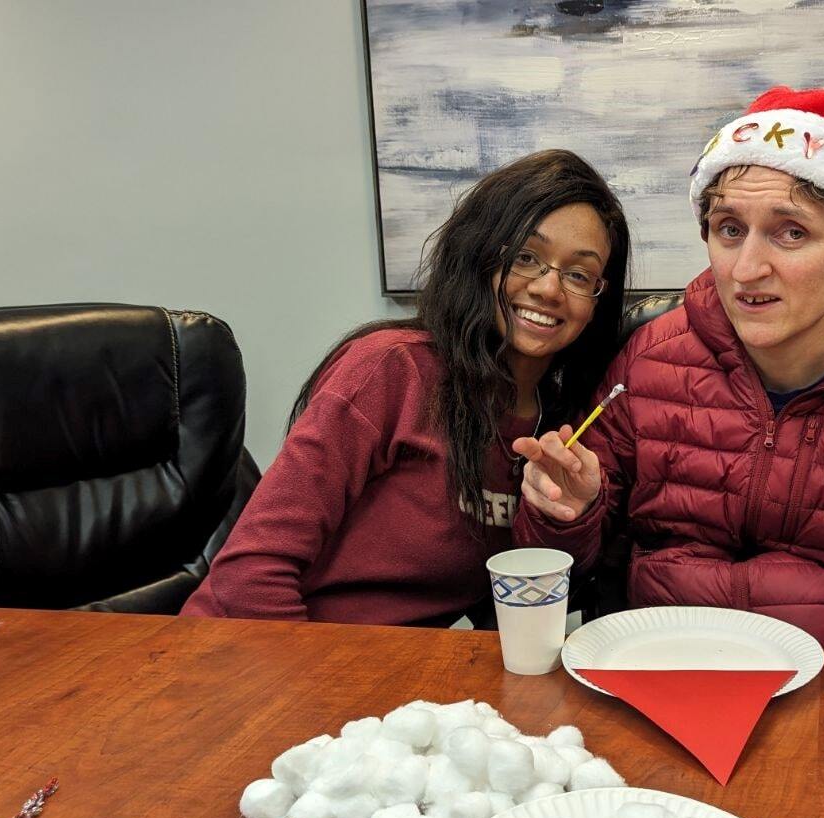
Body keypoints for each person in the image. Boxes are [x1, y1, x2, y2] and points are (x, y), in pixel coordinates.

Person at [513, 83, 824, 690]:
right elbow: (580, 561)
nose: (747, 270)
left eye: (791, 233)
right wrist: (568, 511)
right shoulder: (652, 358)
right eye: (728, 229)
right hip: (655, 673)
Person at [182, 149, 630, 625]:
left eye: (579, 274)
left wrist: (567, 515)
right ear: (481, 255)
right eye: (525, 257)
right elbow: (249, 573)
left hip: (397, 678)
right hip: (253, 661)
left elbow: (533, 589)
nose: (548, 289)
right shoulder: (391, 371)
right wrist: (328, 696)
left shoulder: (561, 421)